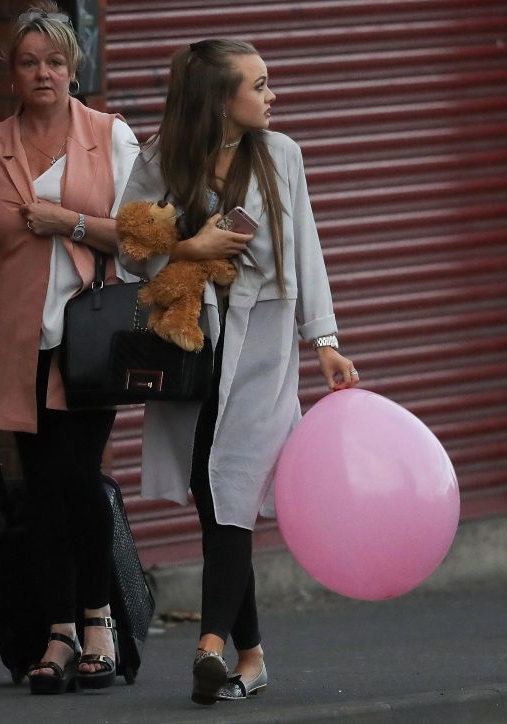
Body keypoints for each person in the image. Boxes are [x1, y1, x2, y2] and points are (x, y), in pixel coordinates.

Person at [118, 39, 359, 705]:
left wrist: (326, 340)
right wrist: (187, 247)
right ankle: (250, 656)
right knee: (214, 491)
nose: (271, 95)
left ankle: (211, 642)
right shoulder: (160, 155)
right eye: (259, 85)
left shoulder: (281, 155)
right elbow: (129, 245)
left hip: (263, 350)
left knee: (233, 484)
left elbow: (306, 247)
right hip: (190, 345)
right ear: (222, 100)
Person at [0, 3, 139, 694]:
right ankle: (56, 634)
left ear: (74, 66)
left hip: (90, 341)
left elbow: (146, 237)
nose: (43, 73)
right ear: (13, 71)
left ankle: (99, 623)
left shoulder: (111, 138)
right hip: (19, 337)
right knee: (42, 486)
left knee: (77, 479)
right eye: (29, 62)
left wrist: (72, 222)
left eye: (55, 61)